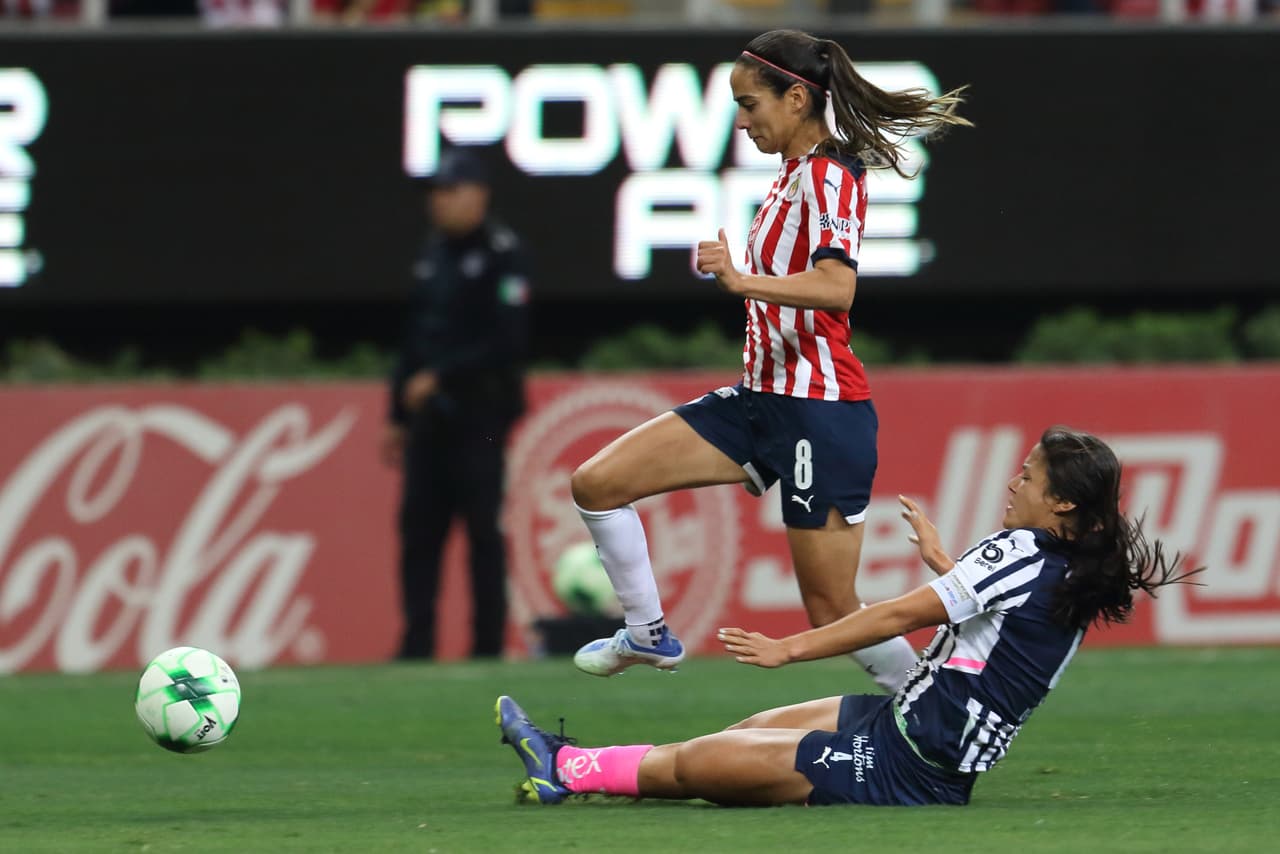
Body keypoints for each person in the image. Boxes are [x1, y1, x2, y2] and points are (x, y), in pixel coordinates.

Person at [499, 427, 1201, 806]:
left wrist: (789, 649)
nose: (1014, 481)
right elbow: (1006, 623)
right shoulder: (1069, 563)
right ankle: (585, 768)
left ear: (1063, 505)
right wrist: (946, 563)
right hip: (899, 724)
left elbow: (894, 615)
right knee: (742, 736)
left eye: (1030, 475)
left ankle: (567, 765)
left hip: (912, 767)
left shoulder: (1026, 551)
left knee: (702, 766)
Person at [568, 28, 971, 689]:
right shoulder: (791, 176)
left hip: (822, 413)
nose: (742, 120)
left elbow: (837, 287)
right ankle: (647, 634)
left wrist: (741, 280)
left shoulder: (830, 174)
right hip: (761, 402)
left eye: (750, 104)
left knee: (831, 607)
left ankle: (934, 707)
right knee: (597, 485)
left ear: (796, 98)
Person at [382, 146, 531, 660]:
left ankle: (486, 647)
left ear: (478, 195)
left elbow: (507, 340)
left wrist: (441, 375)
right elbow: (412, 338)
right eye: (436, 193)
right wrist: (396, 415)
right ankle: (415, 644)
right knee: (419, 532)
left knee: (483, 531)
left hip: (481, 416)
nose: (439, 202)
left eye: (450, 191)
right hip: (429, 419)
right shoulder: (432, 254)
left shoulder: (502, 252)